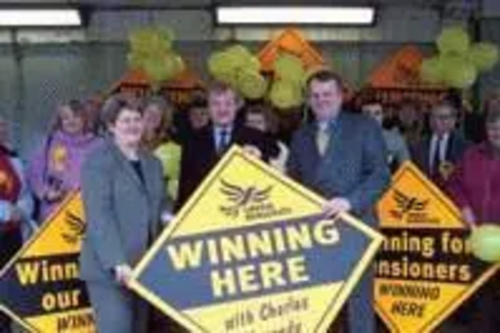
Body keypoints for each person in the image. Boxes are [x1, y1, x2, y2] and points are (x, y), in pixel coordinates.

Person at [287, 70, 390, 333]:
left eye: (327, 94)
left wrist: (349, 202)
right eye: (315, 95)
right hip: (314, 232)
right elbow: (293, 180)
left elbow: (380, 175)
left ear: (341, 96)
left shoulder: (364, 126)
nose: (321, 100)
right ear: (308, 100)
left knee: (359, 303)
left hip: (357, 225)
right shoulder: (300, 135)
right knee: (314, 303)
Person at [79, 97, 170, 333]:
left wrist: (167, 215)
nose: (133, 125)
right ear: (111, 125)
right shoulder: (98, 162)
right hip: (110, 271)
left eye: (137, 119)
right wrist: (117, 262)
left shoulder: (153, 163)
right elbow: (100, 217)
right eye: (125, 120)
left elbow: (161, 201)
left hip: (144, 268)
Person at [177, 83, 279, 210]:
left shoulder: (256, 137)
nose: (222, 109)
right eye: (216, 104)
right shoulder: (192, 139)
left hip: (242, 214)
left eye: (228, 103)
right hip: (204, 214)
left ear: (236, 106)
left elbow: (268, 178)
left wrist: (260, 159)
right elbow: (185, 184)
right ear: (208, 108)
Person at [446, 106, 500, 333]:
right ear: (486, 129)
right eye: (492, 126)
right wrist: (464, 207)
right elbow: (454, 184)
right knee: (482, 297)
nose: (497, 131)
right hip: (478, 240)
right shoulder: (471, 155)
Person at [27, 100, 100, 221]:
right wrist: (45, 193)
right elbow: (34, 173)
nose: (71, 121)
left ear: (85, 119)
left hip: (87, 215)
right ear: (60, 121)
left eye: (76, 116)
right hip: (52, 216)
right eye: (66, 117)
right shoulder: (49, 142)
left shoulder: (99, 145)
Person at [0, 116, 34, 333]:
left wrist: (21, 210)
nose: (1, 130)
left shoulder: (13, 156)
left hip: (11, 236)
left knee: (7, 290)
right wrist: (4, 212)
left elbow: (26, 192)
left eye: (3, 126)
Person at [411, 101, 469, 184]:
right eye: (433, 117)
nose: (437, 121)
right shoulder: (417, 145)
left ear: (453, 120)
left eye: (443, 117)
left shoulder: (465, 147)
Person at [362, 101, 410, 172]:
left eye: (377, 113)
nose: (372, 118)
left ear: (383, 116)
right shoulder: (350, 140)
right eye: (368, 113)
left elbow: (407, 170)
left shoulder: (395, 140)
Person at [244, 103, 289, 173]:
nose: (253, 126)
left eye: (258, 122)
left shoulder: (280, 147)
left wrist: (262, 158)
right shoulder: (239, 141)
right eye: (250, 122)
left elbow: (282, 172)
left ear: (268, 124)